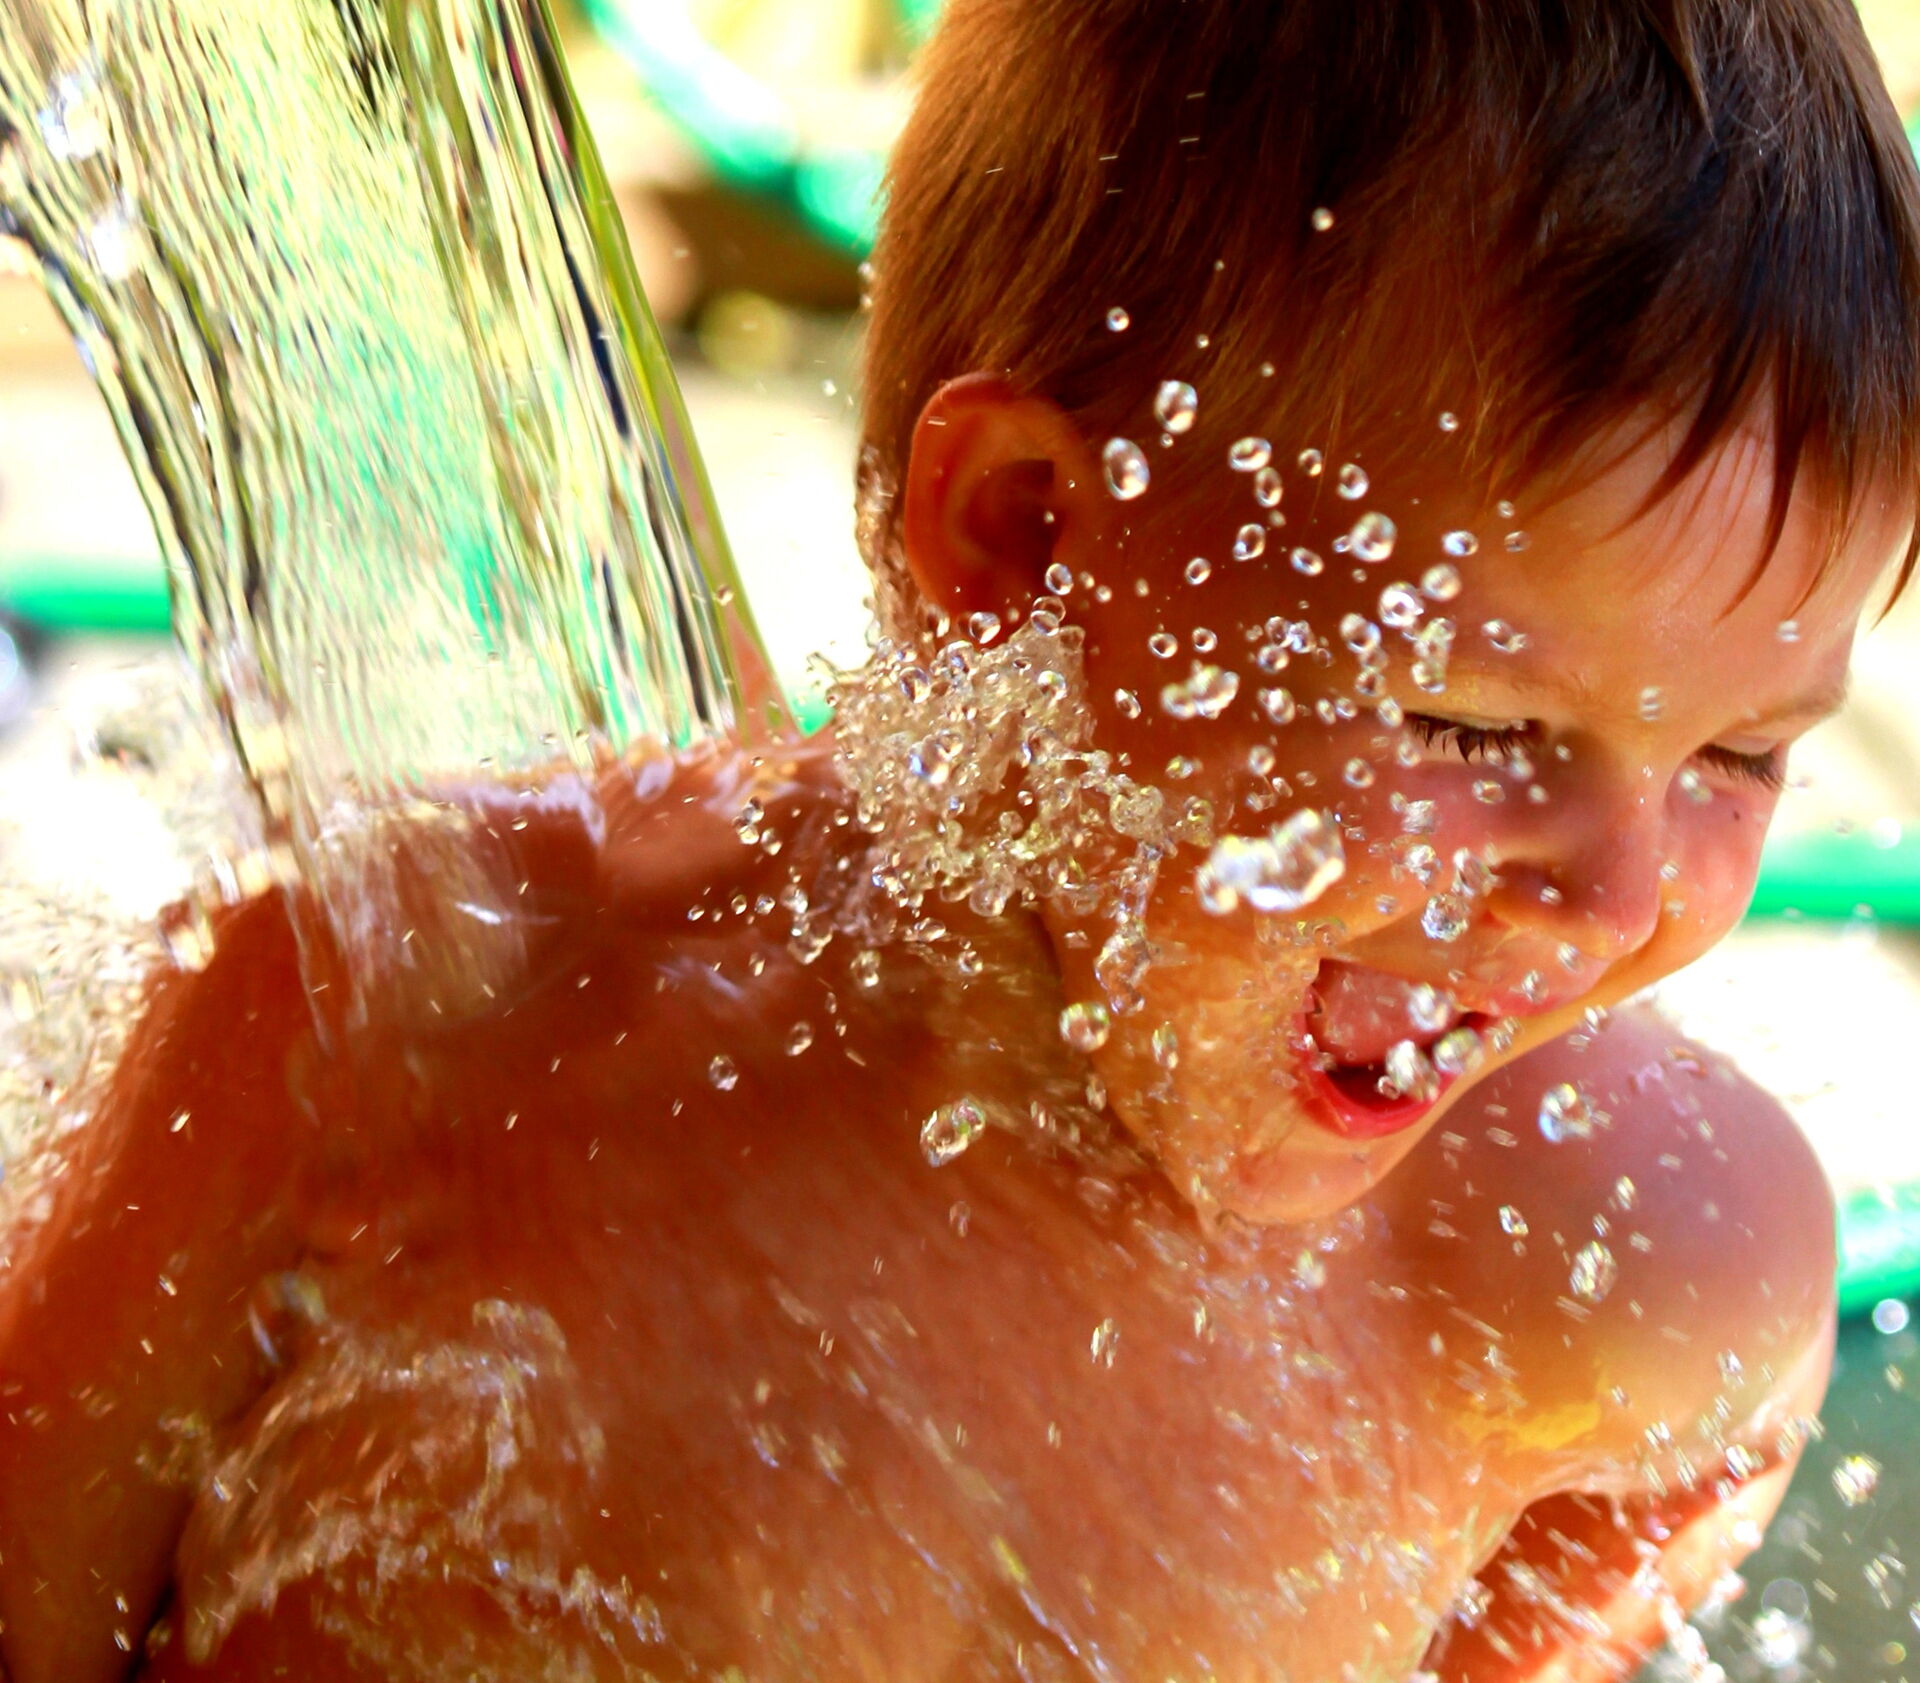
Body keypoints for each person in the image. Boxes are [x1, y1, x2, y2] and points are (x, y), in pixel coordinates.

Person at [1, 0, 1916, 1678]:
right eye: (1476, 727)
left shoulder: (1616, 1245)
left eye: (1742, 754)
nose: (1611, 899)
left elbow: (1714, 1447)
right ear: (1022, 543)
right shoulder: (400, 1021)